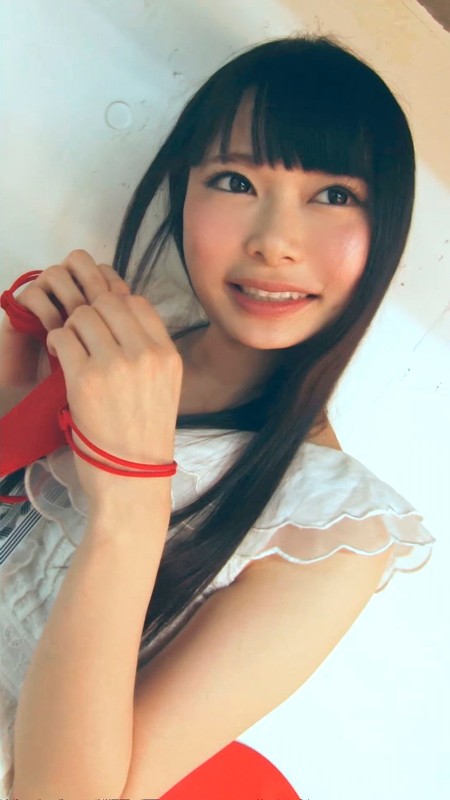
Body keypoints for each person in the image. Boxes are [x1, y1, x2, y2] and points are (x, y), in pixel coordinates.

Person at [0, 33, 436, 798]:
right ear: (182, 191)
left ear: (388, 227)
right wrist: (15, 381)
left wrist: (131, 502)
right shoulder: (121, 332)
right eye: (235, 181)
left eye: (334, 195)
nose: (274, 243)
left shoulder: (329, 531)